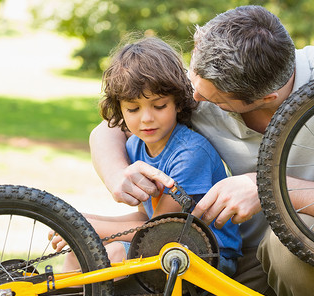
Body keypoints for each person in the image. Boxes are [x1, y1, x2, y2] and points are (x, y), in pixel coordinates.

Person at [89, 6, 314, 296]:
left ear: (266, 97)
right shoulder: (205, 81)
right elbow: (109, 128)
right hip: (232, 253)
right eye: (193, 78)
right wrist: (117, 174)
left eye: (216, 100)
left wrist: (267, 188)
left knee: (288, 245)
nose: (194, 96)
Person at [52, 36, 242, 278]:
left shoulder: (190, 153)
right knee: (80, 250)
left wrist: (87, 225)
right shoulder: (136, 146)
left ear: (178, 104)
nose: (146, 119)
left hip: (208, 255)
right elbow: (146, 217)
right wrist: (84, 221)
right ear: (119, 109)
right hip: (166, 243)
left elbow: (160, 229)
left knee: (117, 253)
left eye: (159, 106)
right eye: (133, 109)